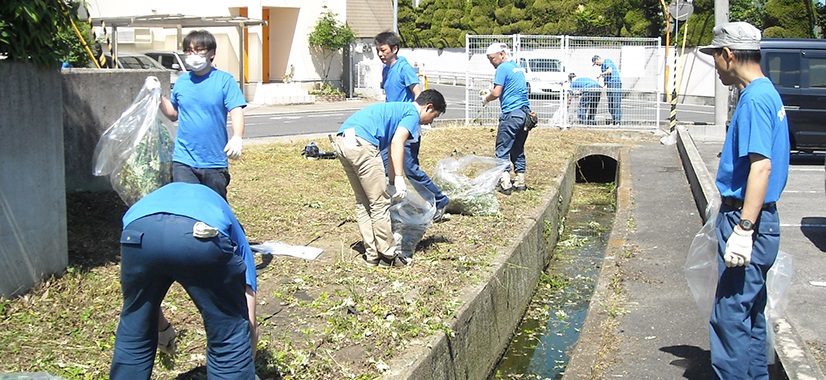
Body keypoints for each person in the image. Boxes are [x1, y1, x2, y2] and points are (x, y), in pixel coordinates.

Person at [699, 21, 789, 379]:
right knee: (750, 311)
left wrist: (743, 228)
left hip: (748, 220)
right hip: (764, 219)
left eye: (716, 57)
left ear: (729, 55)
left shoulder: (753, 100)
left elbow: (761, 168)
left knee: (730, 315)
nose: (716, 66)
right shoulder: (768, 93)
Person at [110, 182, 259, 379]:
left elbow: (144, 298)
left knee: (134, 328)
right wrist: (248, 359)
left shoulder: (156, 198)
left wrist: (162, 328)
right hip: (199, 235)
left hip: (139, 232)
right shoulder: (230, 222)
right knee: (228, 336)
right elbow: (247, 306)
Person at [333, 89, 446, 268]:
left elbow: (394, 152)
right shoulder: (412, 113)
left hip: (343, 141)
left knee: (363, 202)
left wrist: (393, 182)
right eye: (434, 116)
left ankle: (371, 255)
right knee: (379, 203)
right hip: (363, 143)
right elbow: (397, 143)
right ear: (428, 107)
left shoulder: (398, 110)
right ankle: (388, 255)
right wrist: (400, 179)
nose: (431, 121)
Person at [157, 30, 247, 201]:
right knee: (188, 207)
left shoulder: (224, 80)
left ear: (212, 53)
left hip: (214, 161)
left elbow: (236, 111)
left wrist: (237, 137)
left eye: (199, 50)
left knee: (213, 207)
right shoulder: (182, 82)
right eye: (189, 51)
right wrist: (158, 96)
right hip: (183, 159)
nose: (193, 55)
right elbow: (174, 114)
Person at [375, 31, 449, 221]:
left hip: (406, 126)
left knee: (409, 168)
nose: (380, 54)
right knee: (385, 164)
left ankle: (439, 200)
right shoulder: (386, 69)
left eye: (383, 50)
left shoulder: (404, 68)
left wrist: (415, 120)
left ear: (394, 49)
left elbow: (418, 93)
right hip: (392, 126)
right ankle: (394, 203)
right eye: (378, 51)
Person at [482, 42, 533, 194]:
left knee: (502, 148)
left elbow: (497, 92)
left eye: (492, 58)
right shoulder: (517, 68)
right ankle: (520, 180)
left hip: (511, 114)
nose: (491, 62)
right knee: (518, 148)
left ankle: (505, 183)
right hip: (525, 115)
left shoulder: (502, 68)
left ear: (502, 55)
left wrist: (486, 98)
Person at [592, 55, 622, 125]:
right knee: (610, 104)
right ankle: (614, 120)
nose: (596, 65)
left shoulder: (607, 61)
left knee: (616, 102)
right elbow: (606, 79)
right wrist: (601, 86)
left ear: (598, 59)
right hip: (609, 84)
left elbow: (609, 70)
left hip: (615, 83)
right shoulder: (602, 68)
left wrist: (601, 74)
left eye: (596, 63)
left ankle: (617, 121)